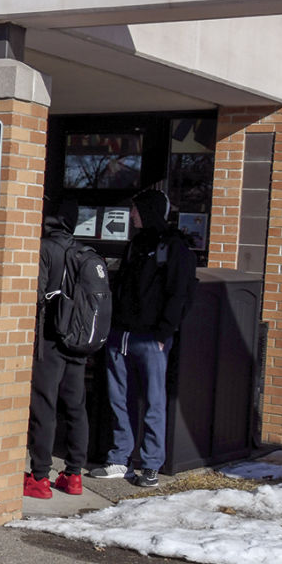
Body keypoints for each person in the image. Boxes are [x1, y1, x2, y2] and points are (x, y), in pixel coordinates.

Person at [96, 187, 197, 486]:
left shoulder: (174, 248)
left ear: (150, 211)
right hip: (121, 335)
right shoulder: (135, 244)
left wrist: (163, 332)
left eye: (137, 210)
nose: (132, 215)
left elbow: (181, 294)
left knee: (154, 403)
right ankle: (119, 458)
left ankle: (151, 463)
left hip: (151, 339)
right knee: (118, 400)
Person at [26, 200, 90, 499]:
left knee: (45, 406)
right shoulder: (83, 251)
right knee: (76, 406)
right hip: (77, 341)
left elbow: (35, 295)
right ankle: (74, 474)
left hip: (49, 340)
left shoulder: (44, 249)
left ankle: (40, 477)